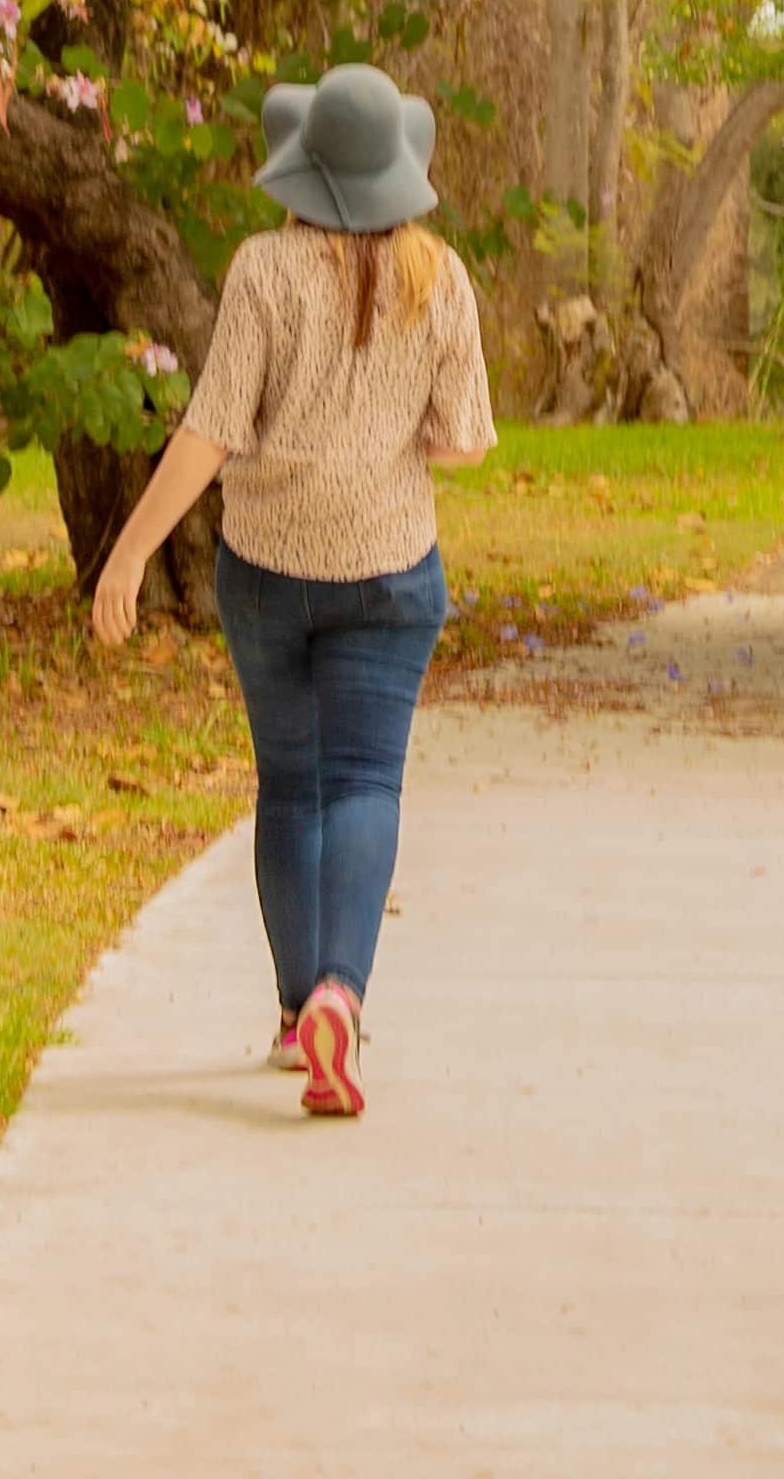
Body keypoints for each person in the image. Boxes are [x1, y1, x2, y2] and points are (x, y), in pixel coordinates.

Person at [85, 59, 498, 1121]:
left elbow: (212, 428)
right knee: (365, 782)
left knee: (291, 782)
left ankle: (289, 1013)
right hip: (392, 567)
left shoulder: (263, 270)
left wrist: (130, 553)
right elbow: (461, 445)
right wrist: (381, 426)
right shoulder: (440, 277)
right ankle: (341, 997)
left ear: (307, 167)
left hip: (267, 570)